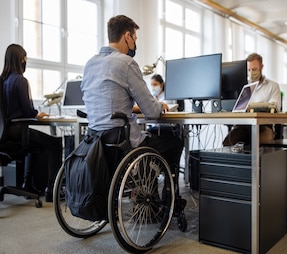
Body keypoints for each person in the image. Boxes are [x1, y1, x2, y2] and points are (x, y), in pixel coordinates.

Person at [81, 15, 184, 185]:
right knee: (174, 142)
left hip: (96, 141)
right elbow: (151, 111)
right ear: (127, 36)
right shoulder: (127, 63)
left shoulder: (90, 64)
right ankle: (158, 195)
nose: (135, 44)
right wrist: (159, 106)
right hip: (123, 143)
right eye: (135, 39)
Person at [0, 44, 62, 202]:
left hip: (4, 133)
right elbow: (28, 112)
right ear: (21, 59)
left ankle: (27, 184)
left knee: (35, 144)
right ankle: (52, 191)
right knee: (54, 143)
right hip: (17, 131)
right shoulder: (20, 80)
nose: (25, 61)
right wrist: (37, 114)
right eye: (25, 58)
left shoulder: (3, 81)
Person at [223, 52, 281, 146]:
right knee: (228, 143)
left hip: (263, 126)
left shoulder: (273, 86)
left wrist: (253, 107)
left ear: (261, 67)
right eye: (249, 70)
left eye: (254, 69)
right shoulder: (244, 86)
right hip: (244, 125)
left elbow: (275, 106)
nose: (251, 72)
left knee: (259, 143)